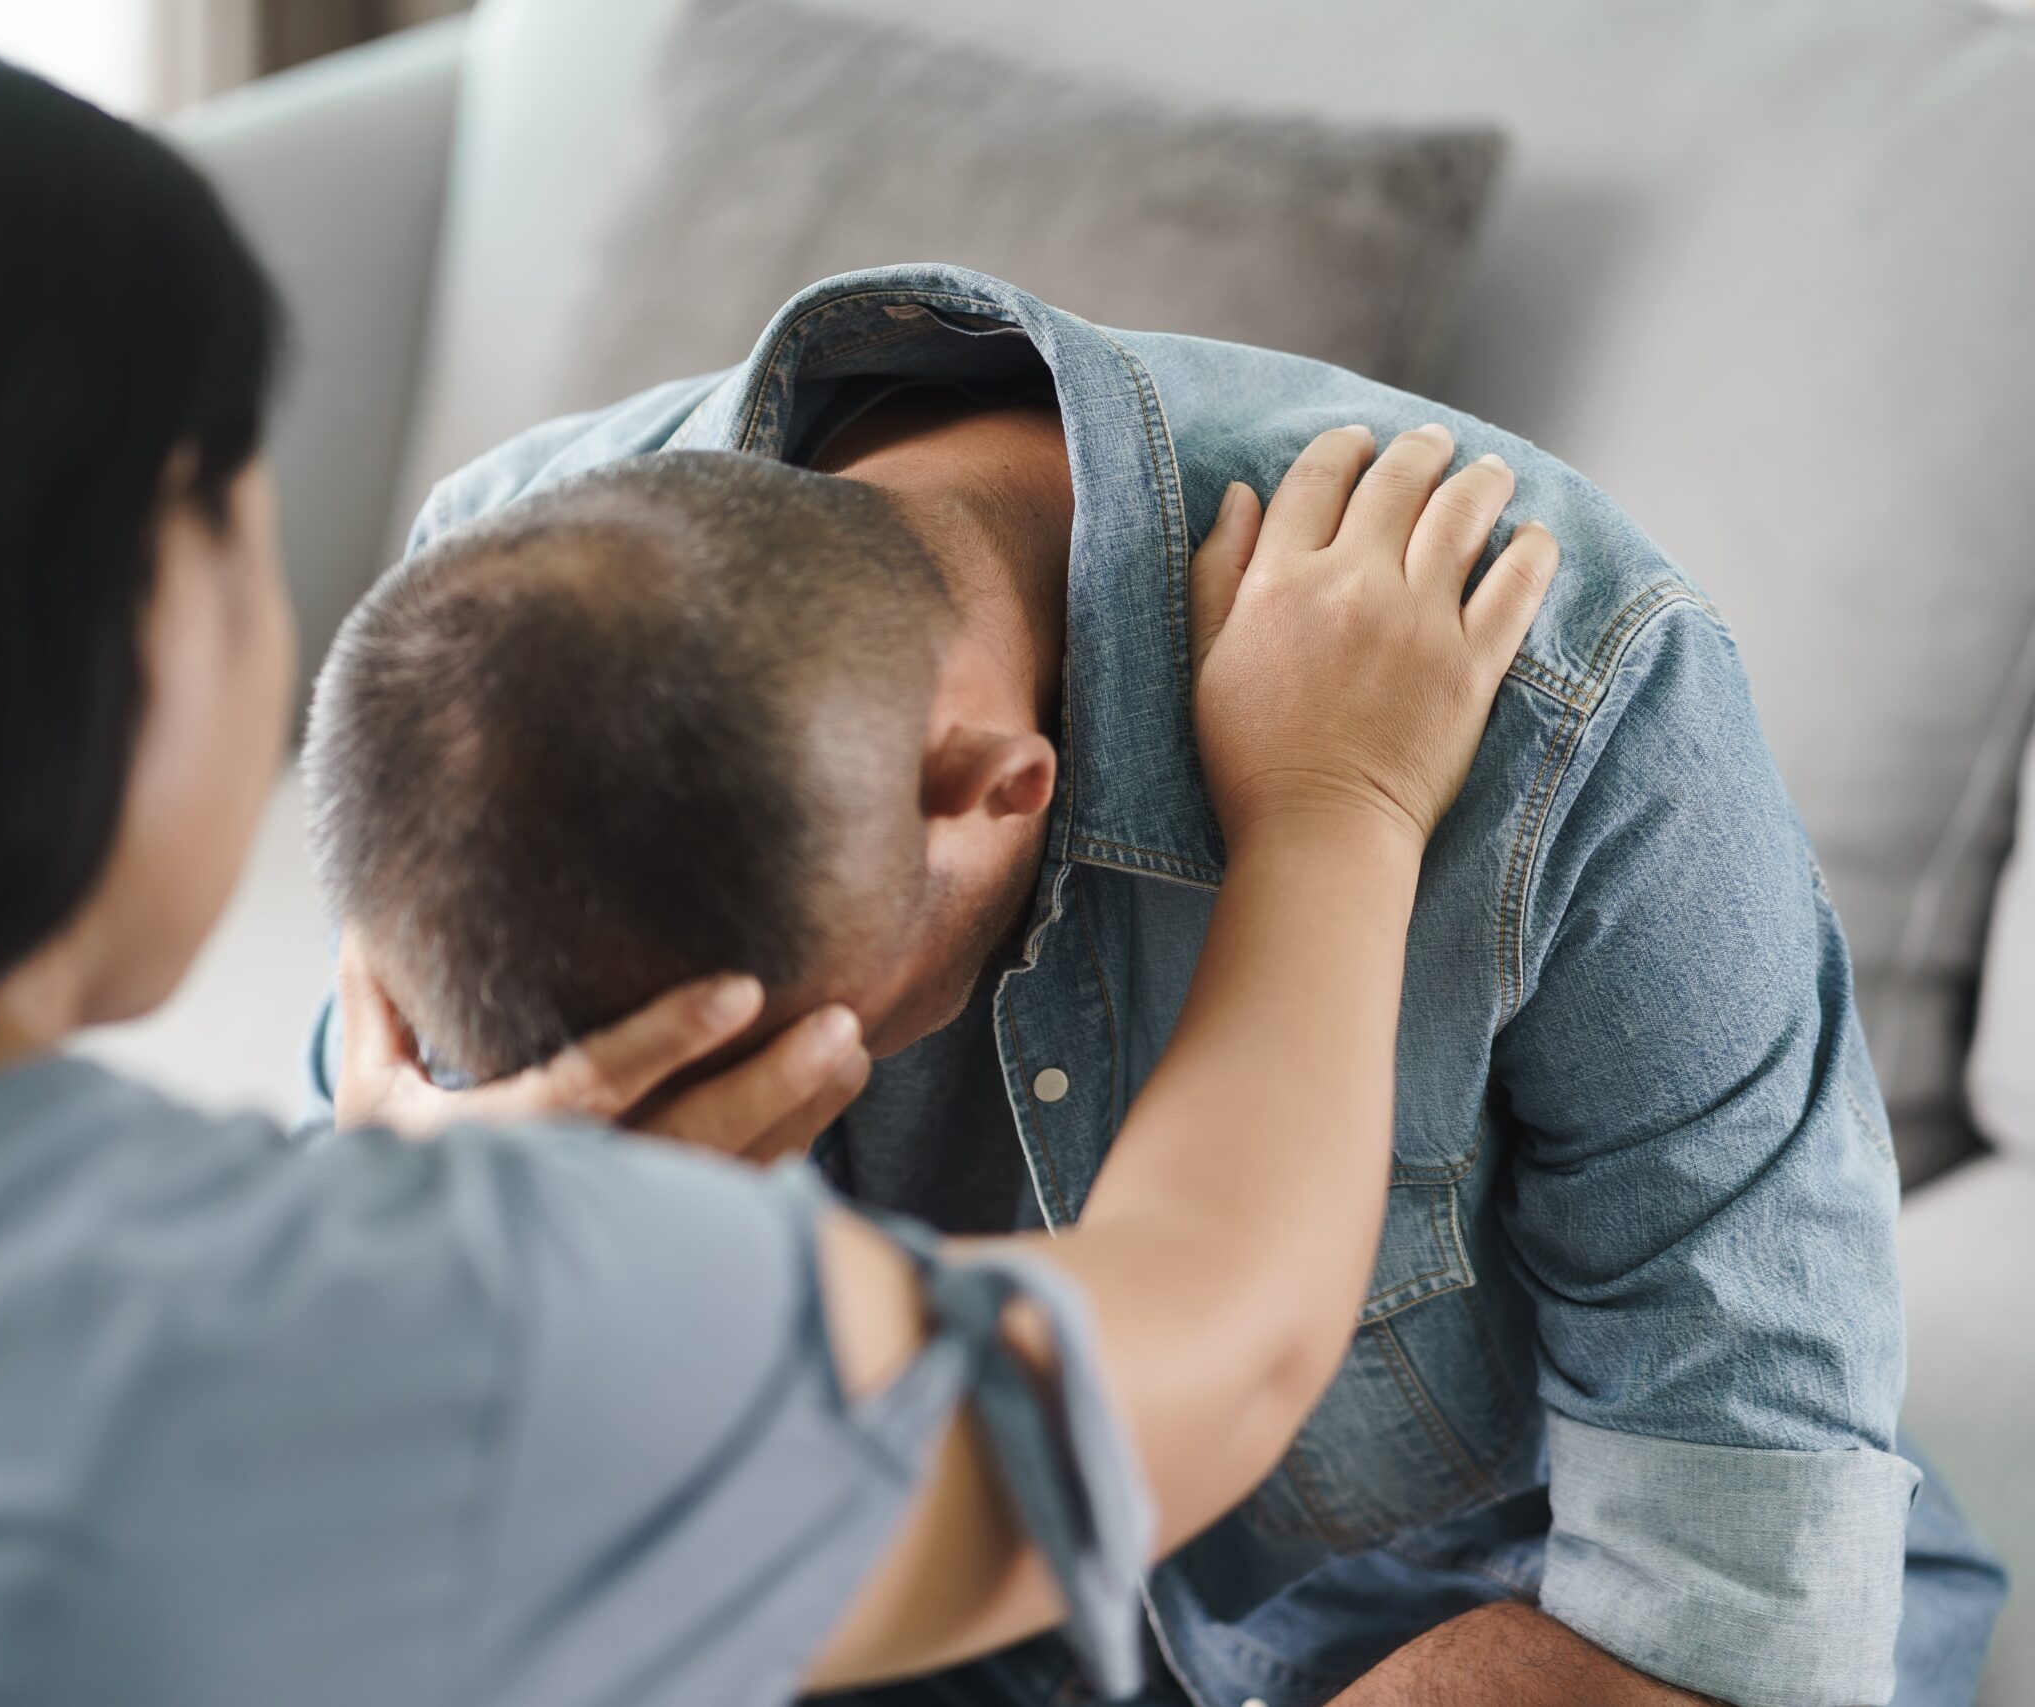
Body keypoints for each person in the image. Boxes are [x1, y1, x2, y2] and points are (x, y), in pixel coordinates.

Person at [0, 46, 1556, 1707]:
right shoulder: (412, 1333)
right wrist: (1335, 805)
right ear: (134, 609)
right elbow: (1215, 1344)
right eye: (244, 531)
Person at [304, 266, 2011, 1705]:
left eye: (797, 1053)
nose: (738, 1107)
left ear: (992, 792)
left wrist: (1336, 816)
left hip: (1480, 1601)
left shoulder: (1557, 688)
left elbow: (1740, 1586)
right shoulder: (484, 668)